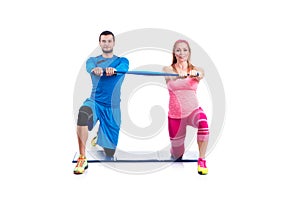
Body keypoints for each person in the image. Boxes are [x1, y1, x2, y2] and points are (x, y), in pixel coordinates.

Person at [73, 31, 129, 174]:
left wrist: (114, 70)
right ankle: (82, 157)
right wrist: (96, 69)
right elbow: (89, 67)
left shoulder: (122, 60)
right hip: (95, 102)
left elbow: (124, 68)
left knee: (109, 153)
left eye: (109, 41)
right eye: (103, 41)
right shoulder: (93, 60)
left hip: (112, 108)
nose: (106, 44)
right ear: (100, 43)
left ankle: (100, 134)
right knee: (83, 114)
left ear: (114, 43)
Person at [163, 39, 209, 175]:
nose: (181, 53)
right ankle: (174, 150)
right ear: (174, 53)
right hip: (176, 115)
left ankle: (202, 159)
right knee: (178, 155)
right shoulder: (168, 69)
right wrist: (178, 76)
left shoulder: (196, 69)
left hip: (193, 111)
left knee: (203, 122)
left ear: (189, 52)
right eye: (178, 50)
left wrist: (195, 74)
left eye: (185, 50)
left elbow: (201, 74)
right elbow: (169, 78)